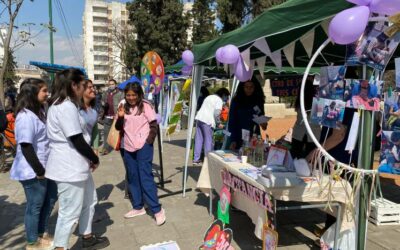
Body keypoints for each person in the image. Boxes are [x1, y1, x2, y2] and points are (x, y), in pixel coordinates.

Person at [45, 69, 109, 250]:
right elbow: (76, 139)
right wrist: (94, 158)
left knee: (90, 200)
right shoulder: (65, 106)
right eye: (82, 86)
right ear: (73, 86)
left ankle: (87, 236)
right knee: (69, 212)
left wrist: (88, 159)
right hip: (69, 167)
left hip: (78, 164)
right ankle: (60, 247)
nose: (85, 89)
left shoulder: (65, 105)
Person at [9, 78, 57, 249]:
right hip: (33, 170)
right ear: (32, 93)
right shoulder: (25, 116)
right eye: (43, 91)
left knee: (50, 199)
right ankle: (32, 242)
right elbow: (26, 146)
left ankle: (40, 234)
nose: (47, 94)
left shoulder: (40, 111)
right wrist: (39, 170)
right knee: (35, 205)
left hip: (45, 166)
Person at [115, 82, 166, 226]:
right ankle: (138, 206)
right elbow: (119, 127)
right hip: (128, 146)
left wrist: (148, 142)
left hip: (143, 146)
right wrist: (119, 117)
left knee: (145, 176)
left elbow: (154, 124)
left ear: (139, 95)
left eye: (133, 95)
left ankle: (157, 209)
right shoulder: (122, 105)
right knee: (132, 176)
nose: (131, 98)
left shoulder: (145, 105)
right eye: (128, 95)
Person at [193, 88, 230, 165]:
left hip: (199, 118)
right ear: (223, 95)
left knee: (199, 140)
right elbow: (216, 113)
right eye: (226, 96)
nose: (226, 99)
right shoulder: (219, 100)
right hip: (208, 121)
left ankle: (196, 159)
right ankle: (207, 159)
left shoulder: (209, 97)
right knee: (208, 141)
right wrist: (219, 123)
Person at [228, 76, 267, 150]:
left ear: (255, 88)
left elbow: (263, 124)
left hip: (254, 138)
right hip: (238, 137)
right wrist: (233, 140)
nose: (249, 89)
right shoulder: (236, 101)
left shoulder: (258, 101)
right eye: (246, 87)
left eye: (251, 87)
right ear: (242, 87)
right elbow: (232, 121)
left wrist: (264, 124)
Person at [290, 81, 321, 159]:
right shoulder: (317, 102)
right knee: (311, 158)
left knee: (295, 157)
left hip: (300, 133)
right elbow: (319, 118)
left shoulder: (299, 101)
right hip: (313, 133)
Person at [101, 79, 124, 155]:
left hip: (116, 116)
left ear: (115, 84)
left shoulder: (120, 93)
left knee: (118, 132)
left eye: (112, 84)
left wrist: (118, 114)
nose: (111, 85)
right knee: (106, 133)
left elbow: (122, 104)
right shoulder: (105, 93)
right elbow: (102, 101)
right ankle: (105, 148)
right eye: (110, 84)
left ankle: (120, 146)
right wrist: (104, 104)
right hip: (107, 115)